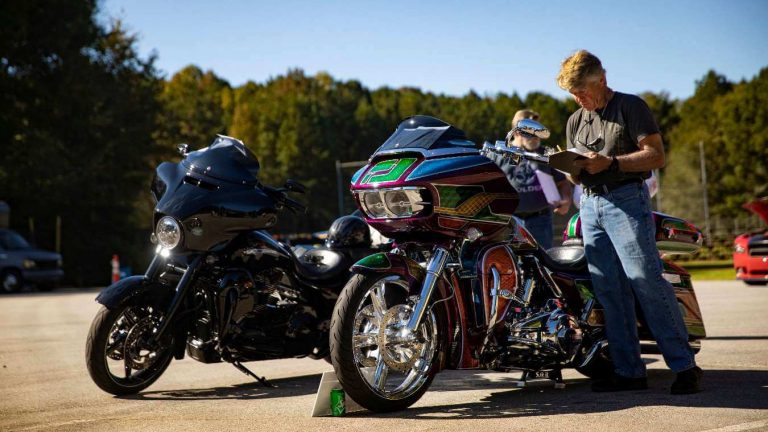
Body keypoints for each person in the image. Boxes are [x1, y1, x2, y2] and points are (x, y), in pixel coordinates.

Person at [556, 50, 702, 394]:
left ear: (601, 80)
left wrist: (611, 163)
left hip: (626, 200)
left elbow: (655, 155)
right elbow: (577, 178)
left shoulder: (630, 107)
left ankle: (685, 366)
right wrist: (574, 168)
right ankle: (628, 371)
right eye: (573, 95)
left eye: (582, 92)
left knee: (646, 281)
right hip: (590, 206)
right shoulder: (576, 120)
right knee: (609, 290)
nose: (578, 100)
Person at [490, 109, 571, 249]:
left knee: (543, 264)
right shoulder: (498, 154)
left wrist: (566, 199)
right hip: (509, 222)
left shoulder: (546, 154)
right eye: (531, 132)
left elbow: (562, 182)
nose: (536, 136)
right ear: (516, 132)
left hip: (541, 220)